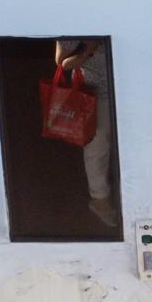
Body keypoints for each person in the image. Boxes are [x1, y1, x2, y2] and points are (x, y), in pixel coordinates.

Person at [54, 38, 117, 230]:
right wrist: (88, 49)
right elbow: (62, 62)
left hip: (127, 85)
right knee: (98, 144)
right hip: (95, 91)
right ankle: (100, 199)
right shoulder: (74, 26)